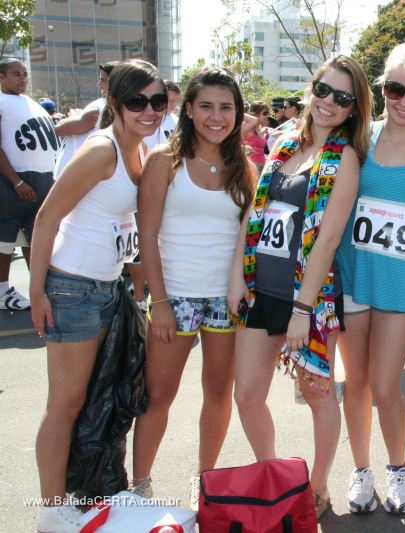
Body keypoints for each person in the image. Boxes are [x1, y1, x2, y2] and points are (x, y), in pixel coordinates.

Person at [229, 55, 371, 519]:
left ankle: (318, 485)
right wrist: (237, 274)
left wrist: (301, 310)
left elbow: (327, 239)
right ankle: (271, 474)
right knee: (247, 394)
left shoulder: (344, 157)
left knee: (317, 392)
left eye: (342, 97)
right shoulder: (286, 144)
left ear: (354, 108)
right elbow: (256, 211)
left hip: (306, 299)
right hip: (259, 289)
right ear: (311, 89)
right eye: (323, 89)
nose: (328, 102)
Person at [28, 59, 165, 532]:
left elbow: (125, 227)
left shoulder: (140, 149)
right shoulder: (102, 150)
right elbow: (47, 217)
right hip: (72, 287)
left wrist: (137, 287)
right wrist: (37, 291)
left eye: (157, 101)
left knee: (89, 399)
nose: (149, 110)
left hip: (107, 287)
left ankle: (75, 493)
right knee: (65, 403)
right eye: (137, 101)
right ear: (115, 103)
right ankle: (51, 507)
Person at [130, 67, 255, 511]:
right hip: (174, 297)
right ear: (189, 109)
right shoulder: (164, 160)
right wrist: (158, 302)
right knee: (158, 396)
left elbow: (246, 241)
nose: (216, 116)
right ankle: (139, 484)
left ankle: (205, 483)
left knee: (218, 393)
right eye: (206, 106)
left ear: (238, 113)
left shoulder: (246, 168)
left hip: (225, 302)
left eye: (226, 107)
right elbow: (146, 236)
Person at [335, 42, 405, 516]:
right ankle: (362, 470)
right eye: (395, 88)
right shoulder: (359, 138)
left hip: (401, 281)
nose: (404, 101)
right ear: (381, 88)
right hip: (354, 273)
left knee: (385, 385)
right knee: (355, 383)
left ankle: (398, 469)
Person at [0, 58, 58, 311]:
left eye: (24, 74)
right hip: (15, 181)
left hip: (41, 180)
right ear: (2, 77)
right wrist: (16, 180)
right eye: (16, 74)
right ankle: (2, 291)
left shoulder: (29, 102)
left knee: (32, 238)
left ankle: (39, 287)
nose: (23, 79)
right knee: (5, 239)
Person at [54, 62, 118, 178]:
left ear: (114, 83)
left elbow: (59, 129)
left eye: (103, 80)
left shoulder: (98, 109)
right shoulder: (115, 108)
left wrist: (72, 118)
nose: (99, 84)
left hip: (74, 178)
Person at [143, 80, 181, 151]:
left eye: (176, 101)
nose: (174, 105)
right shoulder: (149, 120)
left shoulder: (176, 119)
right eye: (171, 101)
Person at [241, 100, 269, 173]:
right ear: (256, 114)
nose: (267, 116)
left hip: (262, 168)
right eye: (265, 113)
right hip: (251, 169)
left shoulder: (259, 128)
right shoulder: (248, 128)